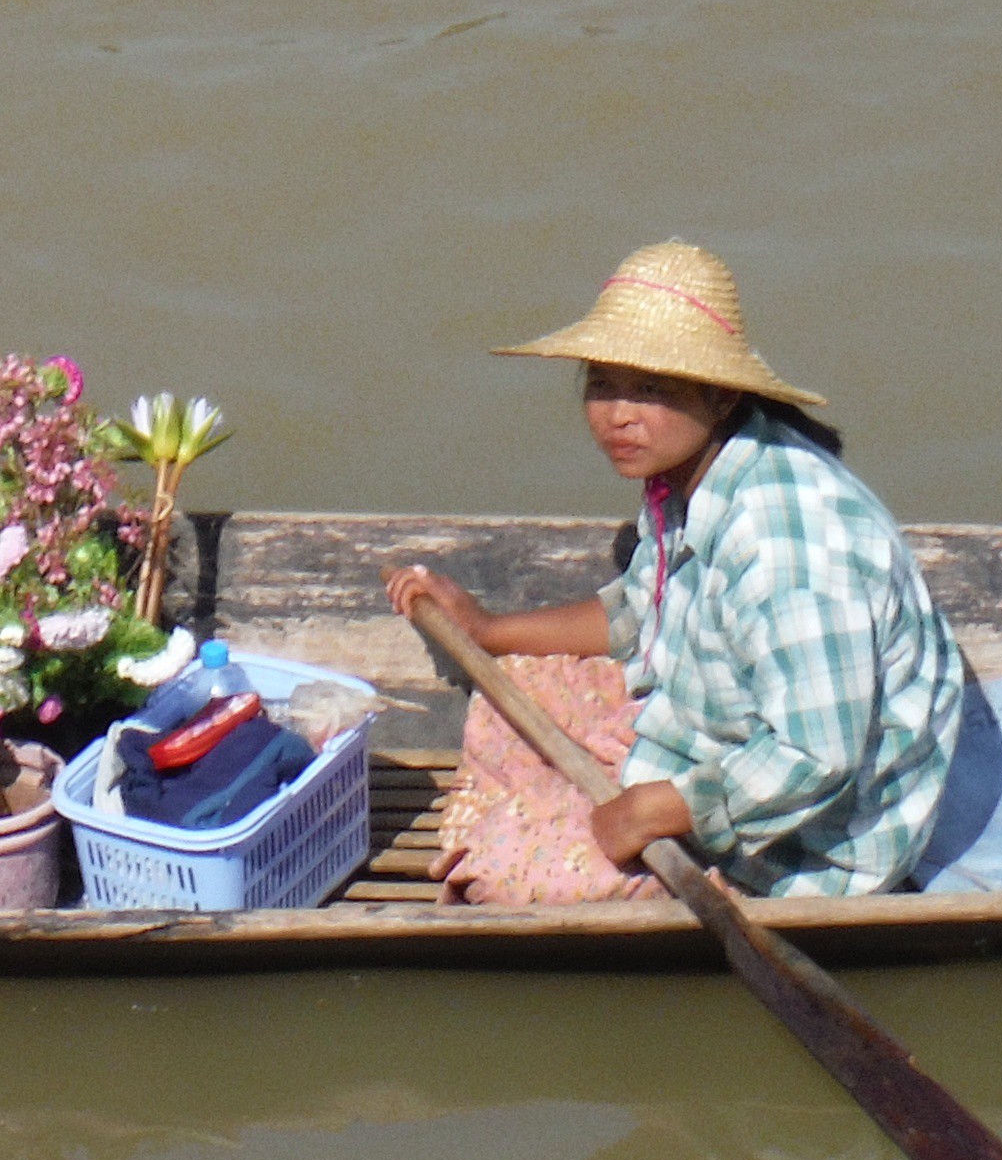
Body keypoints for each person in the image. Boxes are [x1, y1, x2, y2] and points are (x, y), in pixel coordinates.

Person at [386, 239, 965, 901]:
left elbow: (817, 756)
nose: (617, 416)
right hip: (705, 727)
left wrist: (654, 810)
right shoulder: (686, 474)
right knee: (507, 689)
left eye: (651, 389)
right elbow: (642, 610)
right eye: (601, 385)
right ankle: (546, 819)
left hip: (809, 840)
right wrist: (486, 630)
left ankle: (548, 836)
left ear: (720, 396)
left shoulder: (787, 543)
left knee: (503, 874)